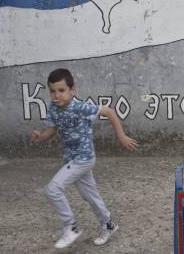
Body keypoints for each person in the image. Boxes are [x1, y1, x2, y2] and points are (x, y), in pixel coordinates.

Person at [31, 68, 138, 249]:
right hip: (71, 159)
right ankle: (108, 224)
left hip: (83, 158)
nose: (57, 95)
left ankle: (70, 226)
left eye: (62, 90)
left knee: (53, 190)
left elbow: (109, 112)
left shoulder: (79, 107)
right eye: (52, 91)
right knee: (89, 195)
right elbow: (53, 129)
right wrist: (40, 137)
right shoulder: (54, 109)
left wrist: (121, 137)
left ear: (73, 89)